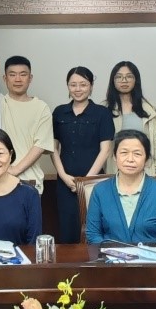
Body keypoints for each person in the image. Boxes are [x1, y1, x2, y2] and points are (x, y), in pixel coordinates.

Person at [85, 130, 156, 245]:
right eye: (124, 152)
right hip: (109, 256)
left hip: (153, 256)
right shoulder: (100, 191)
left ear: (146, 159)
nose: (130, 159)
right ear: (115, 156)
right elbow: (93, 235)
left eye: (137, 154)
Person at [51, 66, 114, 242]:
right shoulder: (59, 112)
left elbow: (105, 150)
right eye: (73, 85)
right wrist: (63, 176)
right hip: (65, 182)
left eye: (83, 84)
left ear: (91, 86)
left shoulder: (102, 113)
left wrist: (85, 181)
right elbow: (53, 148)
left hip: (94, 182)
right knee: (67, 231)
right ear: (67, 86)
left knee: (94, 230)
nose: (78, 89)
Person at [103, 61, 156, 179]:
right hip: (114, 175)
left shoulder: (150, 109)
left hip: (147, 174)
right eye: (119, 77)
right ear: (113, 81)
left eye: (129, 76)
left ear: (136, 80)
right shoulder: (103, 110)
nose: (124, 80)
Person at [0, 56, 54, 195]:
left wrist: (14, 170)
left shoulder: (41, 108)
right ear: (5, 78)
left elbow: (40, 145)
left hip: (30, 182)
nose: (18, 79)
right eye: (12, 75)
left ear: (30, 78)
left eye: (23, 74)